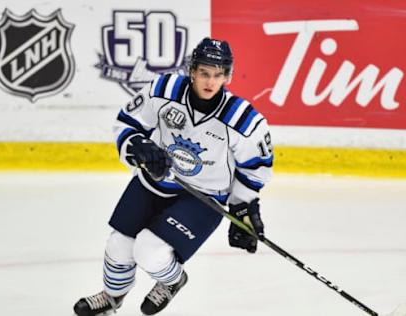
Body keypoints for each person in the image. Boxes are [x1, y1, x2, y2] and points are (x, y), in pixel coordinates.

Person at [73, 37, 274, 316]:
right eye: (204, 73)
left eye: (218, 75)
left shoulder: (243, 120)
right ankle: (112, 297)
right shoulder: (163, 89)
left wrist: (242, 207)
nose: (210, 82)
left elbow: (256, 167)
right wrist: (138, 146)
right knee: (119, 245)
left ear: (227, 76)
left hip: (203, 197)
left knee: (148, 250)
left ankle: (173, 280)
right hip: (155, 181)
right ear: (192, 71)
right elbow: (127, 123)